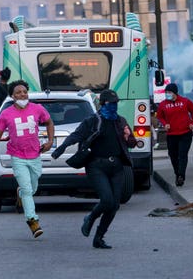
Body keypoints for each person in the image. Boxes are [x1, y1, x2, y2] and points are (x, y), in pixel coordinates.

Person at [52, 89, 137, 249]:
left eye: (115, 103)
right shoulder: (92, 121)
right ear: (102, 104)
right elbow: (76, 136)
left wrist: (129, 137)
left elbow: (131, 143)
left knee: (114, 205)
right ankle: (90, 218)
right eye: (110, 103)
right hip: (97, 166)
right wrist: (61, 148)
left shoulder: (120, 121)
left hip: (117, 167)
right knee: (107, 200)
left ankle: (99, 237)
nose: (113, 106)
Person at [0, 80, 54, 238]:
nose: (22, 94)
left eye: (24, 91)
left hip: (35, 154)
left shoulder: (38, 109)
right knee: (27, 190)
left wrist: (50, 141)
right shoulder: (6, 114)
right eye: (18, 92)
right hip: (17, 156)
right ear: (12, 96)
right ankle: (33, 221)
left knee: (32, 187)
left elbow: (49, 122)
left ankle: (21, 195)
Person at [156, 83, 193, 187]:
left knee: (182, 155)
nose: (167, 94)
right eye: (166, 92)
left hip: (185, 133)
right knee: (173, 155)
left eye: (169, 92)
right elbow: (160, 117)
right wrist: (165, 124)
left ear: (175, 93)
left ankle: (181, 176)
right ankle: (177, 173)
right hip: (172, 134)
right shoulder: (163, 104)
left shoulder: (185, 101)